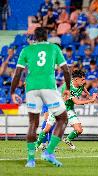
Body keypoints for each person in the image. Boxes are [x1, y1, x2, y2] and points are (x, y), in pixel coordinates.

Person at [10, 27, 71, 167]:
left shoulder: (26, 50)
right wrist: (67, 88)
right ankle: (49, 152)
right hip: (49, 87)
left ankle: (31, 160)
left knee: (33, 123)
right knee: (62, 118)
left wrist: (12, 92)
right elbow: (66, 71)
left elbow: (18, 73)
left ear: (34, 37)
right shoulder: (54, 48)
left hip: (31, 88)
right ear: (47, 36)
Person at [36, 70, 97, 150]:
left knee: (79, 130)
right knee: (47, 129)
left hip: (69, 110)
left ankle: (68, 139)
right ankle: (36, 145)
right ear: (76, 79)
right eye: (82, 79)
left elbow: (83, 88)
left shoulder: (80, 84)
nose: (84, 81)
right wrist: (90, 100)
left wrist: (89, 95)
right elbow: (77, 102)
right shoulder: (68, 88)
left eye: (84, 79)